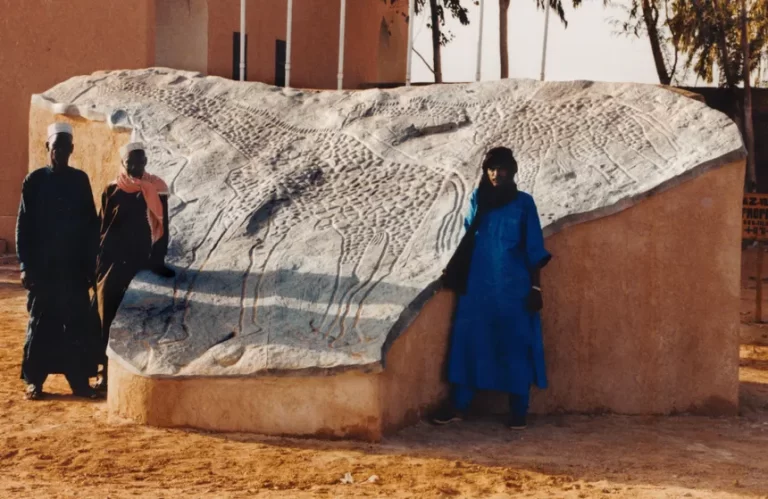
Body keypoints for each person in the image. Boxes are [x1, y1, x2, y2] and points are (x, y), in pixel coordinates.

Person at [433, 147, 551, 430]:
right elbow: (468, 237)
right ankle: (458, 405)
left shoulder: (524, 203)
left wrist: (535, 288)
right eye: (492, 168)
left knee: (515, 344)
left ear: (512, 171)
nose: (497, 173)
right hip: (478, 286)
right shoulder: (478, 198)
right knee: (470, 342)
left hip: (513, 289)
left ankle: (518, 411)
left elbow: (533, 247)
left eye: (502, 168)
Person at [16, 123, 102, 400]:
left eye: (65, 148)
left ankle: (79, 382)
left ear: (72, 149)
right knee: (41, 323)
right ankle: (34, 381)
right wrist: (25, 267)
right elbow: (23, 226)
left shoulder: (80, 180)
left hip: (74, 269)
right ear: (48, 148)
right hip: (44, 270)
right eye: (56, 148)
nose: (60, 153)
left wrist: (90, 266)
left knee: (76, 323)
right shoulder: (34, 181)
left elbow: (91, 225)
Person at [92, 142, 172, 391]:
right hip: (113, 257)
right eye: (131, 162)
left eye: (141, 161)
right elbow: (102, 228)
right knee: (102, 303)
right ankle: (104, 370)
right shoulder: (112, 190)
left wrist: (157, 261)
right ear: (123, 164)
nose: (137, 167)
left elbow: (162, 226)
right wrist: (97, 262)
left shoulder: (156, 187)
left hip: (140, 255)